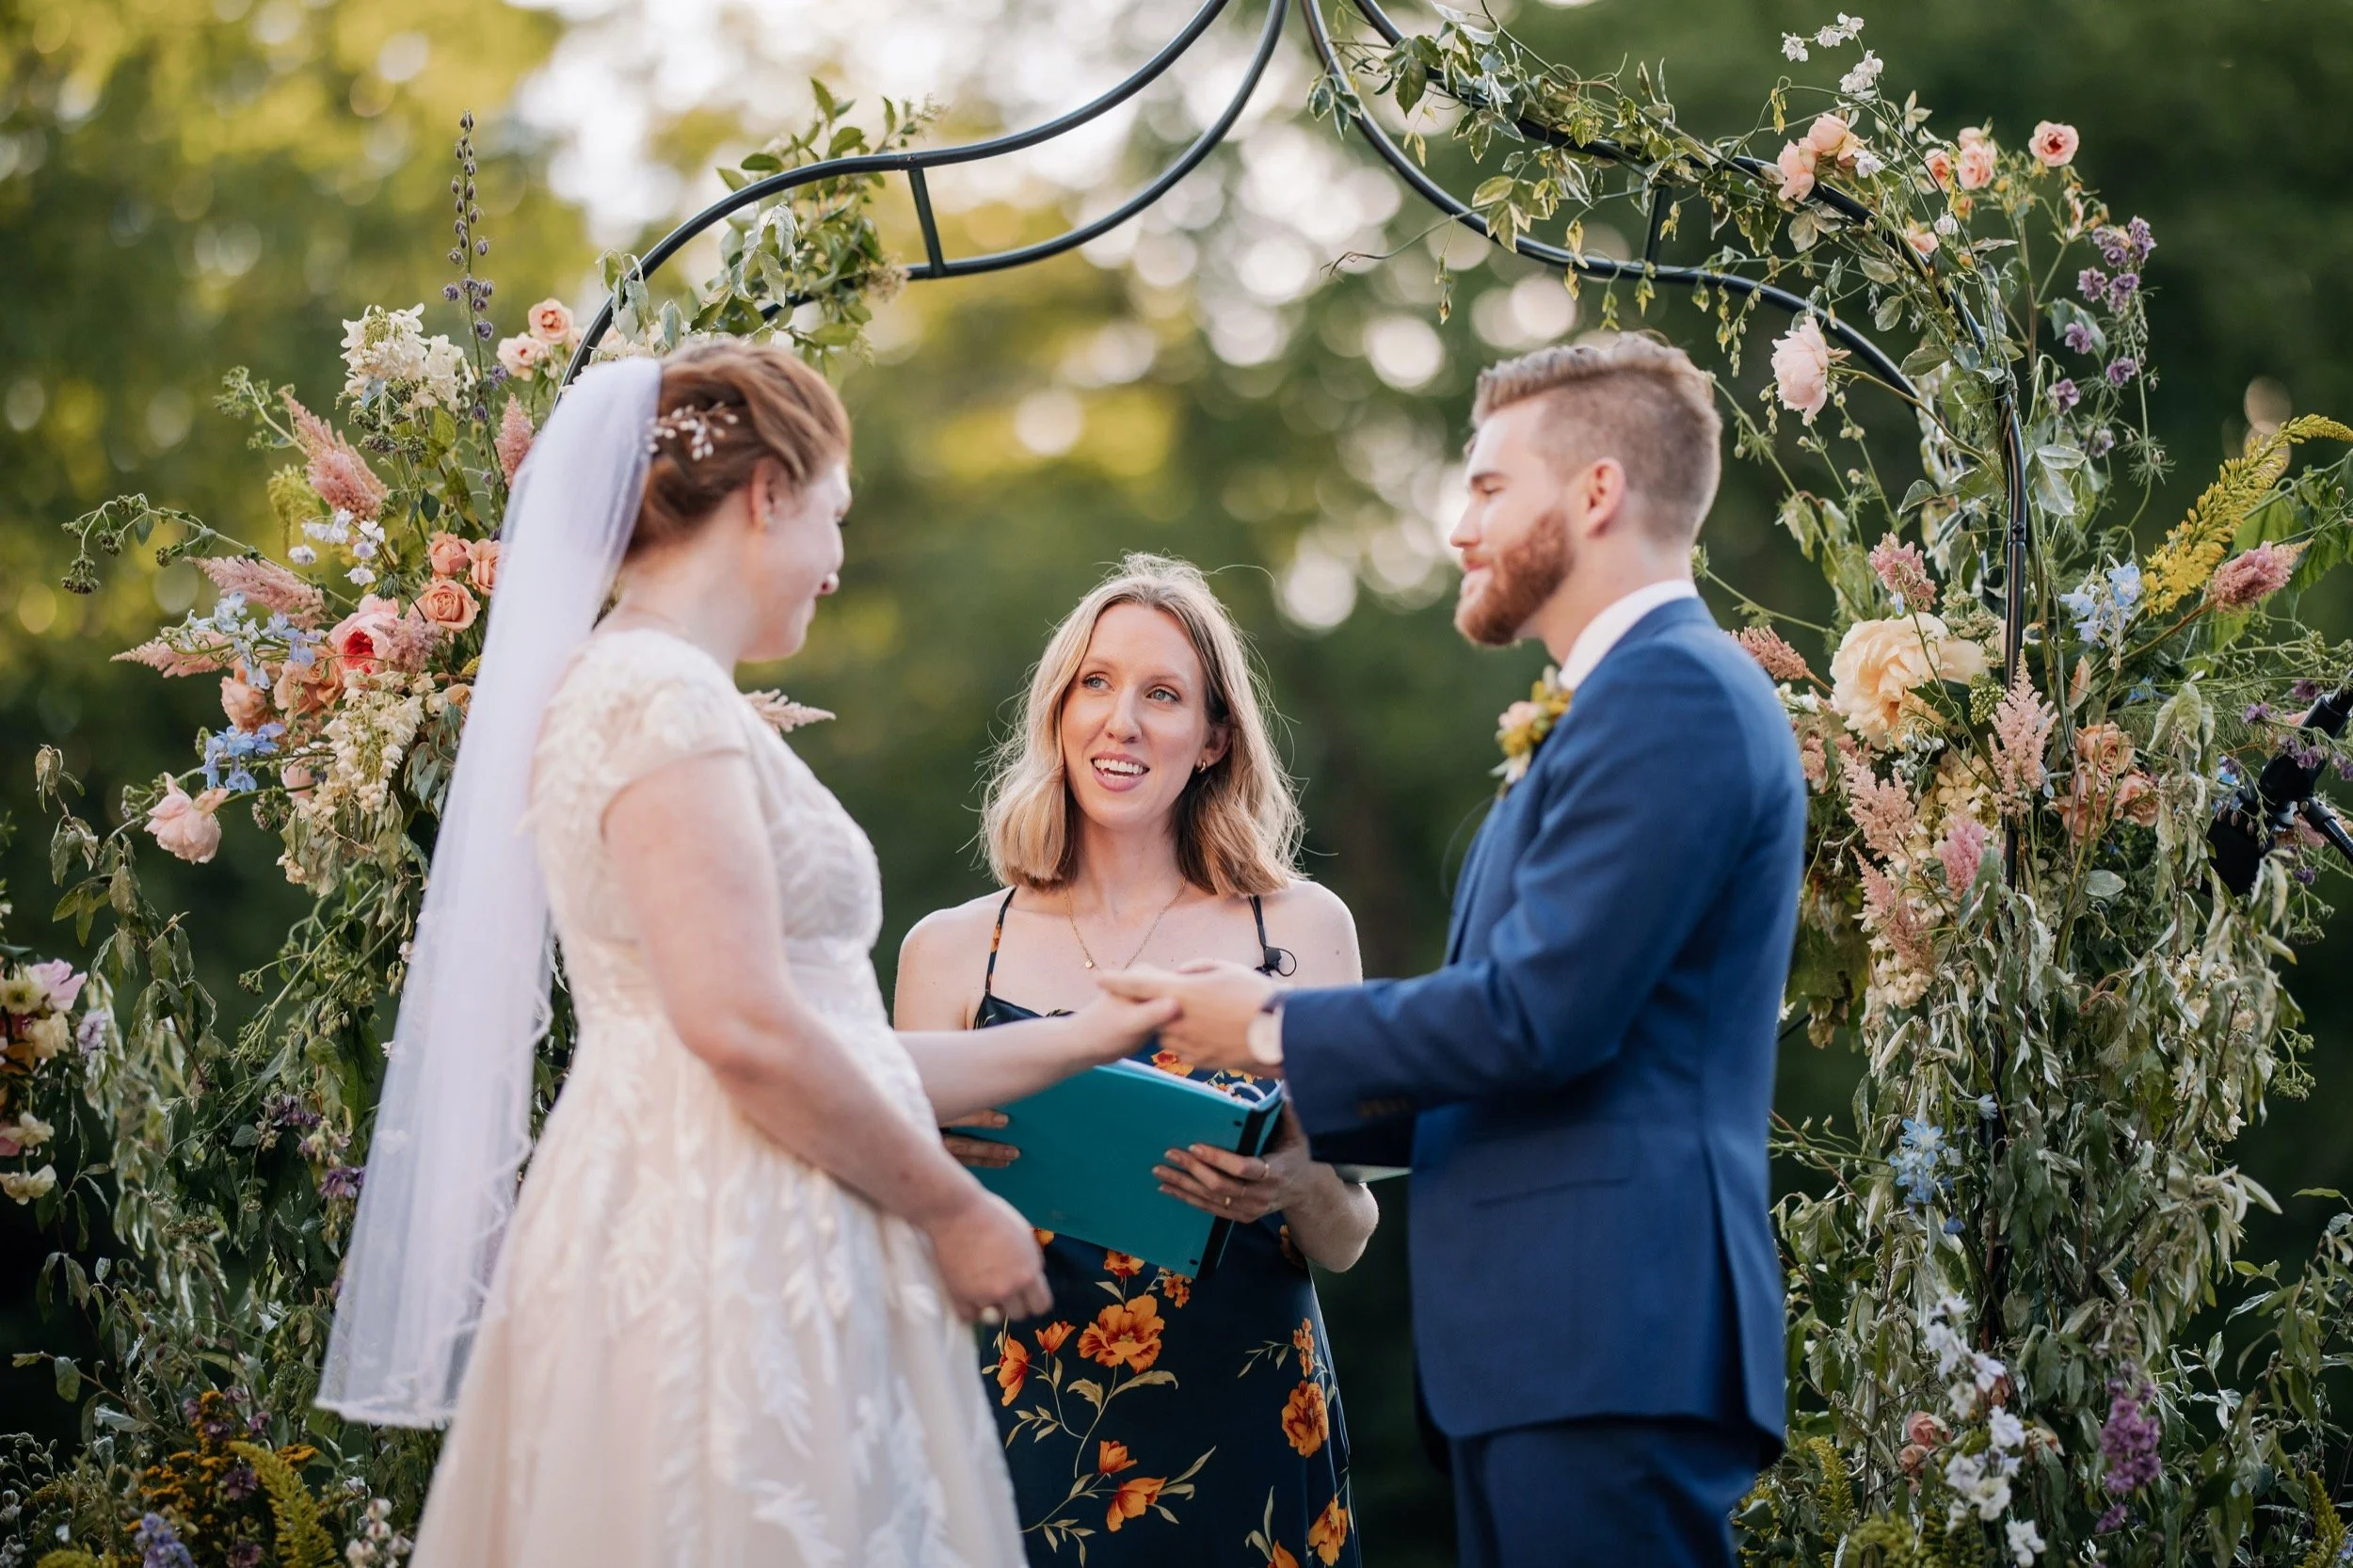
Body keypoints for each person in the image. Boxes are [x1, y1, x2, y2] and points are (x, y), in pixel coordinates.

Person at [318, 342, 1175, 1567]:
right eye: (833, 514)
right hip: (722, 1238)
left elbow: (813, 1038)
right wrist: (953, 1205)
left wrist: (1085, 1036)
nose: (834, 561)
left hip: (726, 1192)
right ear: (768, 492)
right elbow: (741, 1028)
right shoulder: (656, 696)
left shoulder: (647, 685)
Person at [1103, 338, 1805, 1568]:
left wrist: (1265, 1026)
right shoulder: (1623, 703)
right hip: (1557, 1353)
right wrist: (1282, 1129)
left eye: (1487, 487)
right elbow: (1529, 1057)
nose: (1458, 528)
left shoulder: (1673, 695)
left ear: (1595, 492)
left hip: (1608, 1338)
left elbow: (1539, 1015)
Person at [895, 555, 1377, 1568]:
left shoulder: (1301, 931)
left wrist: (1294, 1182)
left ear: (1211, 740)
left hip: (1252, 1423)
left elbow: (1346, 1235)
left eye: (1162, 695)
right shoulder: (949, 950)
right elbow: (908, 1250)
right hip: (1024, 1430)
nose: (1121, 720)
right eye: (1097, 683)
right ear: (1059, 712)